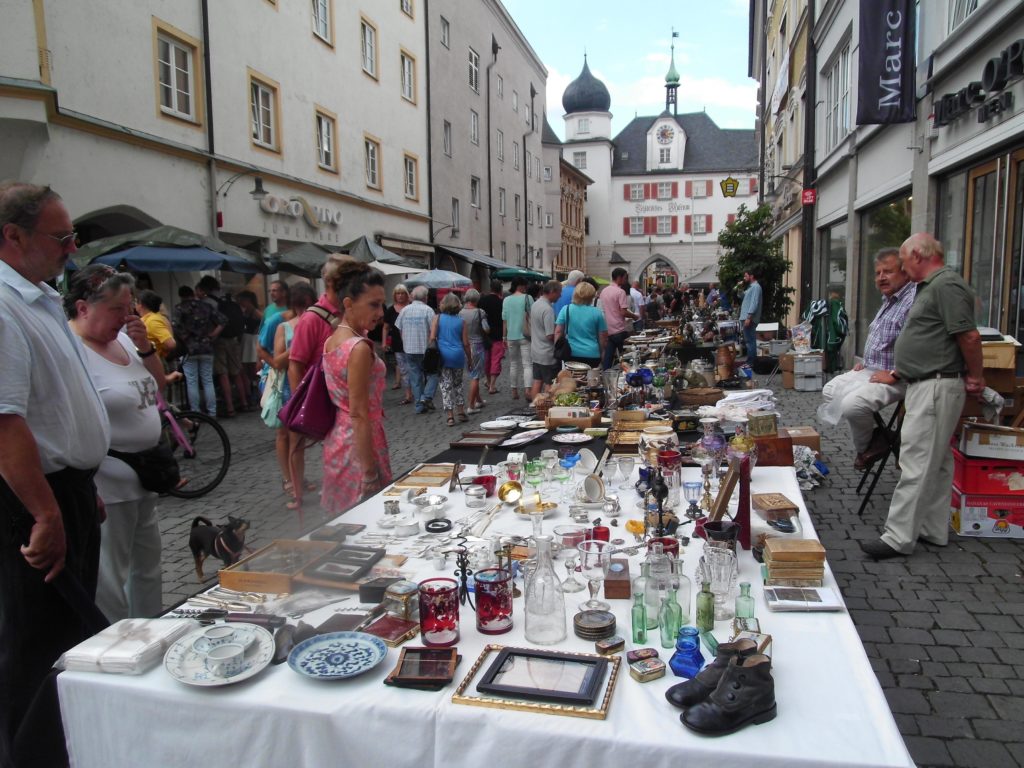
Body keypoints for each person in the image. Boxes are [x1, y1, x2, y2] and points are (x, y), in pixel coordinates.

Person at [0, 182, 111, 766]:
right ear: (12, 237)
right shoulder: (2, 302)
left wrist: (79, 486)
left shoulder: (37, 295)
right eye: (61, 236)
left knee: (67, 635)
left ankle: (68, 746)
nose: (72, 248)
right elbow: (5, 421)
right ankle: (30, 753)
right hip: (30, 502)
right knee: (34, 643)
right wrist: (45, 510)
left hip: (64, 490)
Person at [861, 233, 984, 560]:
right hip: (927, 382)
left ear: (918, 255)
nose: (900, 267)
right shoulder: (934, 286)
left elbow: (969, 336)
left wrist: (976, 376)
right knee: (939, 461)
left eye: (903, 260)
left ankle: (898, 538)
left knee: (914, 460)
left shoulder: (946, 285)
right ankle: (932, 528)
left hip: (936, 384)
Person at [67, 265, 165, 622]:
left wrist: (143, 347)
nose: (125, 317)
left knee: (148, 567)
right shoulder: (71, 350)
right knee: (111, 576)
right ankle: (119, 642)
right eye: (116, 309)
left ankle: (152, 630)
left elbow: (158, 387)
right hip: (108, 483)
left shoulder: (122, 339)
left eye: (129, 308)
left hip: (145, 478)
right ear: (83, 308)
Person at [819, 249, 915, 469]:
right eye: (878, 272)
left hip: (897, 377)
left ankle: (866, 449)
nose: (881, 277)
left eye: (888, 271)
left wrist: (895, 373)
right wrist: (866, 362)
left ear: (905, 273)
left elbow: (918, 347)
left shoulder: (912, 301)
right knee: (830, 390)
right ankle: (881, 439)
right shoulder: (890, 300)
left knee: (853, 405)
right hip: (872, 369)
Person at [321, 261, 392, 515]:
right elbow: (359, 413)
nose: (380, 312)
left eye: (381, 303)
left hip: (339, 440)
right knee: (369, 519)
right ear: (349, 304)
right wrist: (370, 472)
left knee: (346, 524)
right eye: (373, 304)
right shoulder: (358, 347)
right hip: (360, 444)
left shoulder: (332, 340)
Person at [287, 258, 344, 510]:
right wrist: (301, 404)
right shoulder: (312, 318)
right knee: (297, 444)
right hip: (316, 396)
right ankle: (297, 493)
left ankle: (333, 492)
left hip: (340, 397)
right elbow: (295, 363)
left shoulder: (346, 312)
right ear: (332, 282)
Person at [264, 283, 316, 504]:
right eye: (301, 306)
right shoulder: (284, 328)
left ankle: (298, 483)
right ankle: (293, 485)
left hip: (312, 386)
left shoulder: (317, 325)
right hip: (289, 388)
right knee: (290, 438)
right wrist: (298, 345)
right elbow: (276, 361)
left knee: (301, 441)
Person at [196, 276, 249, 416]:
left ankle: (230, 407)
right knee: (237, 371)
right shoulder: (230, 299)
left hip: (219, 340)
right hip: (234, 339)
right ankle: (244, 402)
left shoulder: (208, 302)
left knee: (223, 373)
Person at [172, 283, 225, 418]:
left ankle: (196, 412)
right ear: (193, 294)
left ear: (181, 296)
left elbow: (176, 327)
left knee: (192, 381)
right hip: (206, 347)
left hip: (188, 349)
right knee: (207, 380)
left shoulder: (179, 308)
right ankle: (212, 412)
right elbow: (223, 320)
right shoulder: (206, 306)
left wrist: (185, 338)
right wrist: (213, 334)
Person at [396, 285, 438, 414]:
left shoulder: (404, 310)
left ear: (412, 296)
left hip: (409, 348)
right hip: (425, 349)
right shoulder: (428, 310)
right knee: (433, 374)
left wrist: (405, 340)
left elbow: (399, 328)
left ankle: (419, 406)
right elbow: (434, 330)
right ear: (425, 297)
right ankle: (426, 397)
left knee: (415, 377)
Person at [431, 292, 472, 426]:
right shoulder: (462, 322)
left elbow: (432, 338)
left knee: (446, 386)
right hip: (458, 356)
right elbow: (466, 343)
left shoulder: (437, 318)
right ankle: (461, 411)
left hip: (443, 356)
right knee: (458, 384)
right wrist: (470, 360)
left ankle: (450, 416)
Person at [554, 281, 607, 368]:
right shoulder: (597, 312)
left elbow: (558, 332)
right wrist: (602, 352)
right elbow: (603, 337)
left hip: (571, 353)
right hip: (592, 354)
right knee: (590, 379)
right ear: (591, 296)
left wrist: (558, 348)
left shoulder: (566, 309)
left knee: (573, 379)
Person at [530, 280, 562, 399]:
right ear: (553, 292)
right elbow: (550, 335)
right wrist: (560, 336)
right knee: (550, 383)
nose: (560, 295)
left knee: (537, 381)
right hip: (547, 353)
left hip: (536, 350)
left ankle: (534, 406)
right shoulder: (548, 309)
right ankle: (546, 408)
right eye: (559, 292)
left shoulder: (536, 304)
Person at [600, 267, 637, 369]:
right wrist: (634, 316)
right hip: (619, 329)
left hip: (608, 328)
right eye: (625, 278)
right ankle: (627, 376)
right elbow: (623, 312)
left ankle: (606, 375)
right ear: (619, 278)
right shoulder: (620, 292)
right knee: (626, 357)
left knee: (608, 357)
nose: (626, 280)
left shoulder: (604, 291)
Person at [502, 278, 533, 399]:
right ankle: (528, 391)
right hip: (525, 335)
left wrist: (504, 336)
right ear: (520, 286)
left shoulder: (506, 300)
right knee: (527, 364)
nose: (525, 288)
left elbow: (504, 321)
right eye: (524, 285)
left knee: (513, 364)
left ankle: (514, 390)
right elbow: (532, 314)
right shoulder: (527, 298)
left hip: (511, 336)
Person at [459, 288, 489, 414]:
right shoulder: (479, 312)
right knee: (475, 376)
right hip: (477, 345)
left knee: (472, 373)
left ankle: (479, 400)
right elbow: (486, 329)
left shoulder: (460, 313)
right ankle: (471, 405)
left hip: (465, 346)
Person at [383, 284, 412, 400]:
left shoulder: (411, 307)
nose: (400, 296)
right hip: (398, 344)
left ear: (406, 295)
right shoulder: (390, 310)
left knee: (414, 368)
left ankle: (417, 390)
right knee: (403, 369)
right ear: (394, 295)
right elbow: (385, 327)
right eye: (398, 293)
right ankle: (408, 393)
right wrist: (384, 342)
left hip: (412, 343)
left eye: (402, 293)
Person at [479, 280, 505, 395]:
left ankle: (488, 381)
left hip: (484, 336)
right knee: (496, 360)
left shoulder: (482, 301)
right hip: (497, 336)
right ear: (500, 290)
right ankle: (492, 385)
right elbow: (504, 320)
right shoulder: (501, 302)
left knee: (487, 360)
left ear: (490, 288)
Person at [236, 290, 262, 397]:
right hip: (247, 339)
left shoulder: (255, 312)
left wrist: (258, 331)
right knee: (246, 366)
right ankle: (251, 389)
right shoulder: (245, 311)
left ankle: (256, 388)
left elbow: (264, 320)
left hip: (252, 339)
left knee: (252, 366)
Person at [740, 270, 763, 360]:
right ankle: (751, 360)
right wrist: (739, 288)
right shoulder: (750, 287)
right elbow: (741, 296)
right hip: (745, 317)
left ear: (751, 276)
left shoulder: (756, 287)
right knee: (748, 340)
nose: (744, 278)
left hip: (749, 318)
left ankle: (751, 361)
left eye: (746, 276)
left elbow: (754, 302)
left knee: (750, 340)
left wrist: (749, 317)